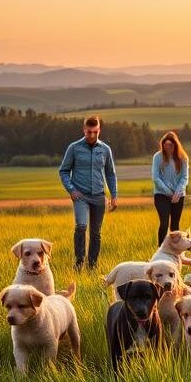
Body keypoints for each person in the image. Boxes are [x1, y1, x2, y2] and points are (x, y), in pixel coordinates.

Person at [58, 116, 117, 271]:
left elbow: (110, 173)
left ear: (99, 130)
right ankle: (79, 263)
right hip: (80, 196)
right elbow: (63, 171)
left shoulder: (105, 149)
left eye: (95, 132)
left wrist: (114, 196)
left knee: (96, 232)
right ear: (84, 130)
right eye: (89, 132)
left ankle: (92, 265)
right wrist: (71, 189)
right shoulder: (74, 148)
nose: (91, 135)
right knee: (81, 227)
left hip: (99, 196)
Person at [151, 131, 189, 244]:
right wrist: (168, 192)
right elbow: (156, 178)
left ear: (175, 145)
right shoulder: (157, 157)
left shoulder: (183, 158)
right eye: (165, 145)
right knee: (164, 223)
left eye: (170, 145)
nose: (168, 148)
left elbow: (184, 178)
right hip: (161, 194)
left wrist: (177, 192)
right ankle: (160, 250)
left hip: (178, 195)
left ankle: (175, 253)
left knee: (175, 225)